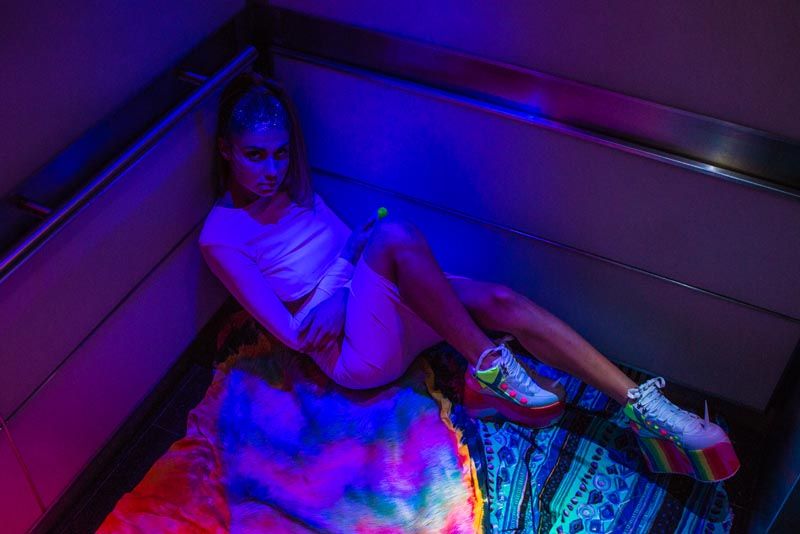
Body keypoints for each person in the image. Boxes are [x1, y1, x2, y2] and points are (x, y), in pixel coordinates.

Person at [197, 71, 740, 483]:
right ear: (225, 149)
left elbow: (351, 255)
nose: (271, 170)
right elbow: (296, 334)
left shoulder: (294, 190)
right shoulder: (220, 235)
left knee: (502, 301)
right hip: (351, 353)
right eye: (255, 155)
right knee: (393, 232)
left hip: (368, 307)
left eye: (280, 154)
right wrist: (344, 280)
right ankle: (488, 366)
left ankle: (646, 410)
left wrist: (350, 270)